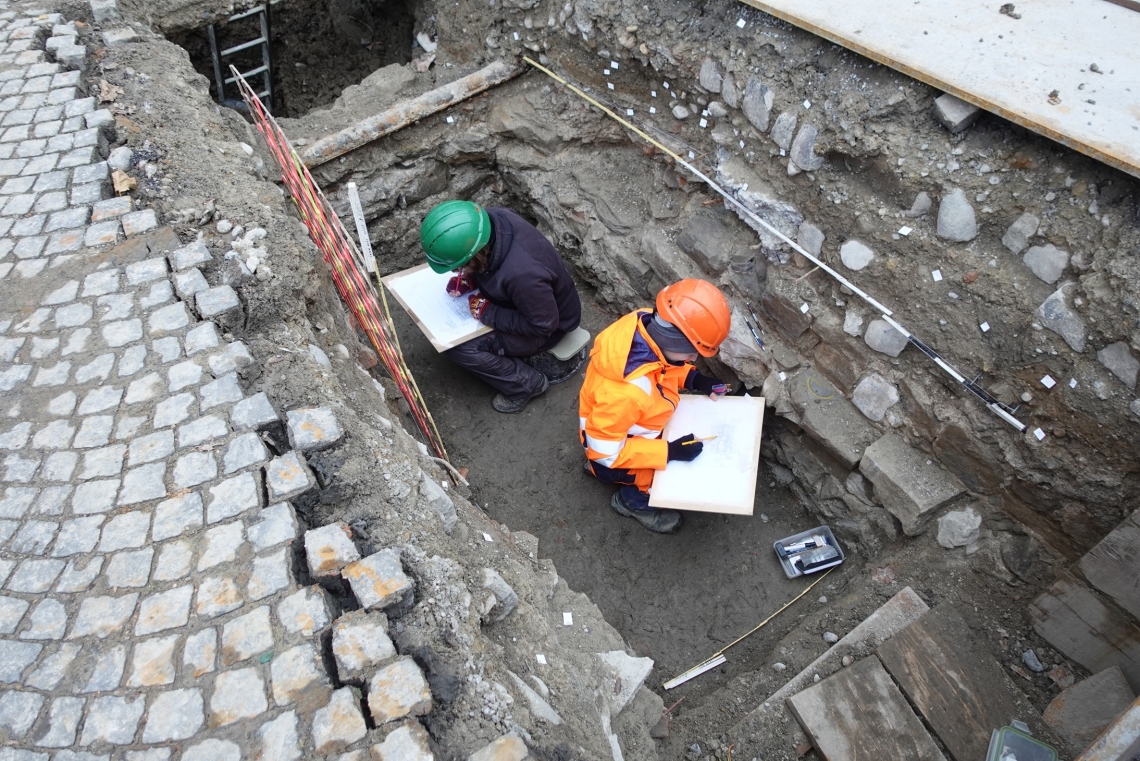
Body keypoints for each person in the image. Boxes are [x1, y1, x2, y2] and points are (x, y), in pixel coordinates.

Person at [579, 278, 731, 533]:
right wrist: (668, 453)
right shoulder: (625, 394)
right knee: (660, 477)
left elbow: (661, 370)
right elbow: (606, 453)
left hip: (614, 432)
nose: (693, 357)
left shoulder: (646, 325)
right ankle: (632, 501)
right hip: (610, 451)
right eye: (690, 351)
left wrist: (695, 379)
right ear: (672, 341)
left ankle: (598, 468)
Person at [420, 200, 583, 413]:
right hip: (528, 303)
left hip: (549, 327)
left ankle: (525, 385)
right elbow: (494, 267)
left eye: (459, 266)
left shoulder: (523, 275)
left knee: (457, 348)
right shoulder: (488, 223)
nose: (456, 272)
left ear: (475, 255)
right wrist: (470, 278)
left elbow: (543, 325)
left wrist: (487, 312)